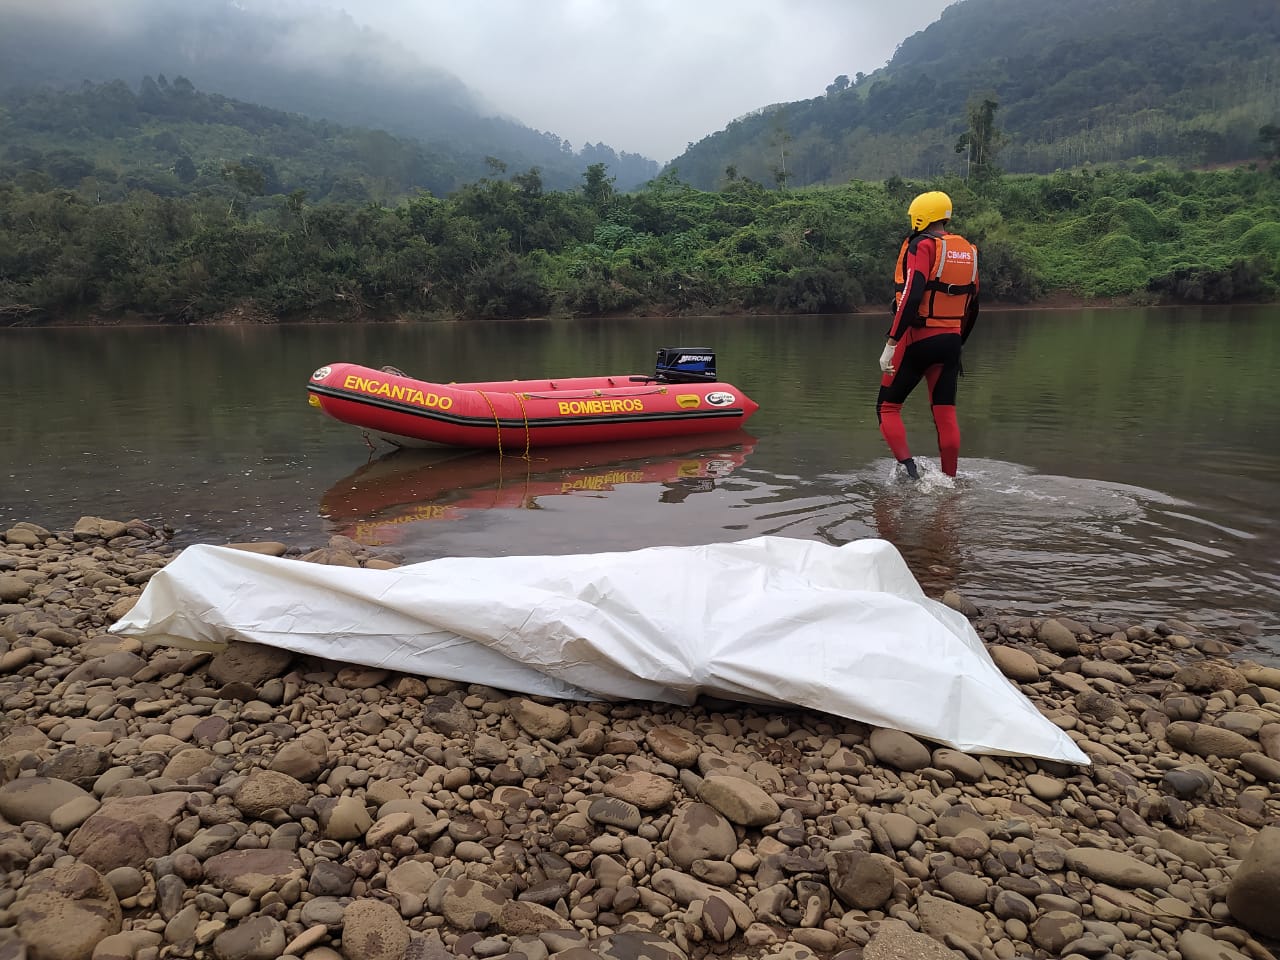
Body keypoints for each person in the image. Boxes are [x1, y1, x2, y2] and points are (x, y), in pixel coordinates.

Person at [876, 190, 979, 480]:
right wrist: (958, 344)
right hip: (951, 340)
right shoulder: (967, 251)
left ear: (922, 216)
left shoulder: (921, 246)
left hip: (917, 337)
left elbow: (911, 295)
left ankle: (910, 473)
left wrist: (891, 342)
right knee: (945, 416)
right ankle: (949, 481)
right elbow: (974, 305)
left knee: (887, 407)